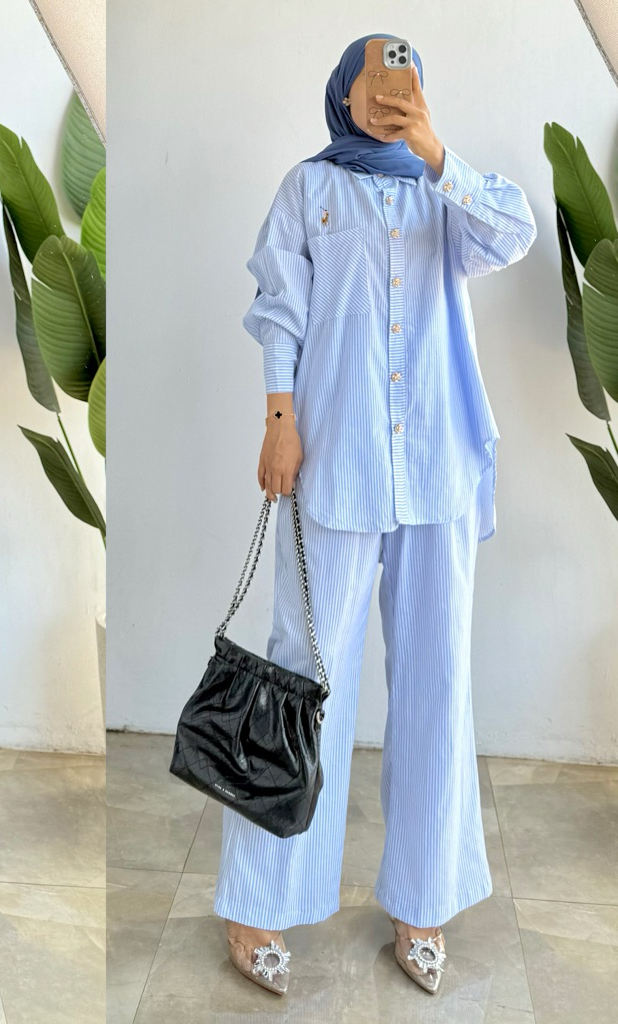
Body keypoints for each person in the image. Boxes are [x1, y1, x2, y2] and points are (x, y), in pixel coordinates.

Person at [216, 34, 535, 996]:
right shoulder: (308, 188)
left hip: (437, 466)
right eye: (377, 80)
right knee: (300, 679)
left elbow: (514, 233)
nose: (392, 95)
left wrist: (436, 150)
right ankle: (260, 900)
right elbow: (281, 311)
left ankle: (422, 901)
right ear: (344, 93)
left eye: (409, 81)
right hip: (334, 465)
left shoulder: (448, 191)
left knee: (436, 683)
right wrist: (279, 423)